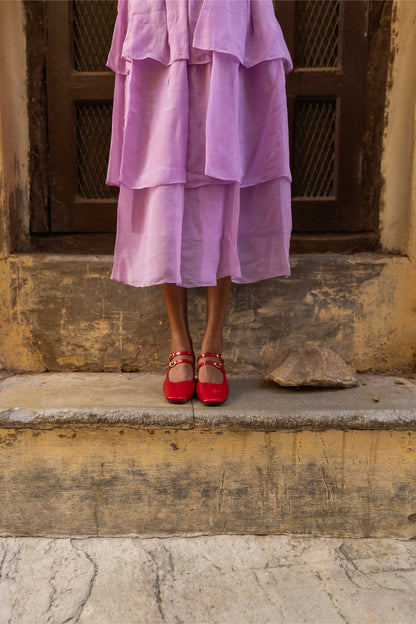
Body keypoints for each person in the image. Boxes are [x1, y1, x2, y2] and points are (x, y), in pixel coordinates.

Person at [106, 0, 292, 406]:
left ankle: (213, 341)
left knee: (223, 177)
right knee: (162, 178)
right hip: (157, 13)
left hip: (225, 16)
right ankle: (179, 339)